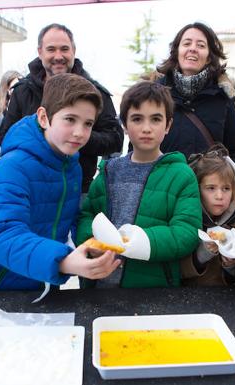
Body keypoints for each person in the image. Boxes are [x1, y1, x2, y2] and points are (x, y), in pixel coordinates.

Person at [0, 73, 121, 291]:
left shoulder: (71, 166)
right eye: (70, 119)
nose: (80, 133)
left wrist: (90, 245)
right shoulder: (13, 167)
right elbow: (2, 236)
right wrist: (63, 261)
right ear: (44, 118)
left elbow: (70, 223)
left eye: (88, 123)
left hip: (42, 285)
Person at [76, 81, 201, 288]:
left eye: (155, 119)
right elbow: (87, 215)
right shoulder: (109, 171)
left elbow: (186, 232)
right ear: (124, 124)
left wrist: (143, 241)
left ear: (168, 125)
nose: (146, 128)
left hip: (153, 287)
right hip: (101, 284)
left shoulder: (181, 175)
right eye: (137, 119)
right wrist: (92, 241)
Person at [1, 23, 123, 193]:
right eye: (51, 49)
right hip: (30, 188)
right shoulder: (23, 91)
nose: (58, 56)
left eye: (64, 49)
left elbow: (115, 140)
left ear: (73, 50)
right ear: (40, 52)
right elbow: (7, 137)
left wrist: (76, 137)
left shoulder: (95, 92)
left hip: (77, 191)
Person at [155, 22, 235, 172]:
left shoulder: (223, 98)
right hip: (162, 188)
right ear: (177, 51)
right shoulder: (155, 93)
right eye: (187, 43)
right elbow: (139, 145)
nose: (193, 49)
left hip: (207, 190)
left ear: (209, 57)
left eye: (201, 45)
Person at [181, 144, 235, 286]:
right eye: (211, 188)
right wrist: (202, 254)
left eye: (226, 188)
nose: (219, 196)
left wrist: (231, 265)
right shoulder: (187, 223)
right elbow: (177, 272)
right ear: (197, 189)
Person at [0, 70, 21, 144]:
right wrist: (8, 110)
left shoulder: (26, 101)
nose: (18, 90)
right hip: (4, 149)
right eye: (14, 87)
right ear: (6, 89)